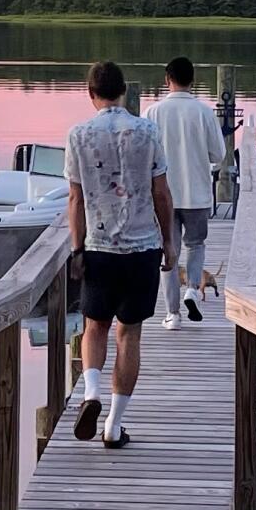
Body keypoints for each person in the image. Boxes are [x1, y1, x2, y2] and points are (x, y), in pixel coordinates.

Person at [64, 59, 173, 449]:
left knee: (94, 326)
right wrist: (169, 242)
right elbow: (161, 193)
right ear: (124, 91)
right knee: (129, 335)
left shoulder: (78, 135)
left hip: (99, 247)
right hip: (142, 248)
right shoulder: (147, 131)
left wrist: (77, 248)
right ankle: (113, 425)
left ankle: (91, 392)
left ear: (90, 93)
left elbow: (75, 199)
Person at [148, 57, 225, 328]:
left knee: (169, 253)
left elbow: (145, 155)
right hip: (197, 194)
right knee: (196, 245)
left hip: (163, 195)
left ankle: (173, 314)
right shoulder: (204, 112)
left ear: (167, 80)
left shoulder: (152, 113)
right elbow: (218, 154)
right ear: (193, 80)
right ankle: (192, 287)